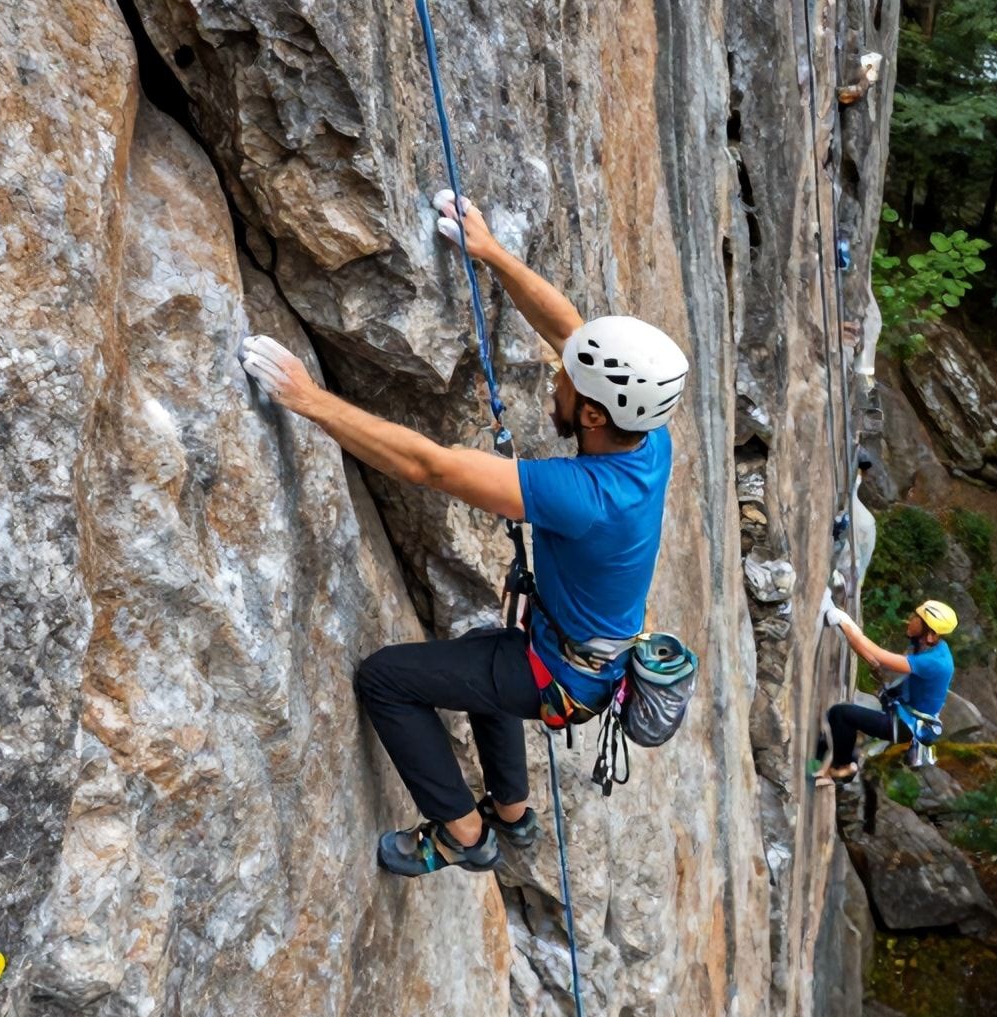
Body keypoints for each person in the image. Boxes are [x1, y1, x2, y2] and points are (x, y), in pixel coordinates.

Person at [238, 190, 689, 876]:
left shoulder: (587, 497)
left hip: (558, 675)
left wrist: (309, 400)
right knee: (484, 651)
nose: (555, 385)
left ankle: (462, 834)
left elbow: (431, 466)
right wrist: (492, 253)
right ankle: (514, 812)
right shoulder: (647, 440)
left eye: (567, 386)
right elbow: (573, 331)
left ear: (594, 414)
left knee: (386, 680)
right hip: (574, 661)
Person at [813, 593, 958, 784]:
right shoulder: (930, 646)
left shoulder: (934, 662)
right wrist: (848, 630)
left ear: (930, 634)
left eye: (917, 618)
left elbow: (879, 656)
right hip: (903, 711)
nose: (911, 619)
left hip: (905, 724)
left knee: (841, 714)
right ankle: (823, 756)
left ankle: (844, 768)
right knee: (839, 718)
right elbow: (873, 658)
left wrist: (844, 621)